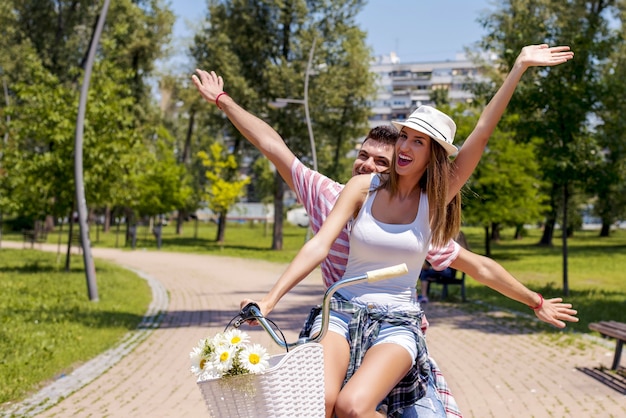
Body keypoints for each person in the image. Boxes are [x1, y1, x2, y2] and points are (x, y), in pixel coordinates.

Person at [192, 44, 577, 417]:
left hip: (398, 320)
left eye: (418, 141)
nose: (406, 146)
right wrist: (270, 299)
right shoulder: (357, 190)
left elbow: (483, 137)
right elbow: (318, 246)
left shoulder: (432, 204)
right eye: (405, 136)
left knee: (353, 408)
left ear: (433, 154)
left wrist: (519, 67)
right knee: (320, 404)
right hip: (341, 312)